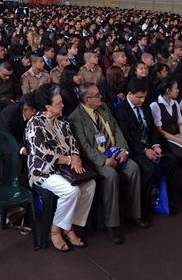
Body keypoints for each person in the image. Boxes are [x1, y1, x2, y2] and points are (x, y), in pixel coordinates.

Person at [67, 84, 147, 244]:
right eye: (97, 95)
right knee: (110, 175)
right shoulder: (76, 118)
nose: (101, 97)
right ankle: (112, 225)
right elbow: (85, 147)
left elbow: (116, 129)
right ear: (87, 99)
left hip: (114, 151)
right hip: (96, 158)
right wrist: (104, 160)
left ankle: (134, 213)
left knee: (133, 168)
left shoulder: (103, 108)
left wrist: (124, 149)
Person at [24, 86, 95, 253]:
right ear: (47, 107)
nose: (62, 105)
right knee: (71, 191)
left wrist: (76, 159)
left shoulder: (62, 121)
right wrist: (70, 159)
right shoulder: (34, 124)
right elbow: (43, 154)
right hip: (43, 170)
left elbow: (73, 143)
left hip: (65, 168)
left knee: (90, 184)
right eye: (58, 103)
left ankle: (68, 226)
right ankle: (55, 230)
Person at [114, 78, 182, 218]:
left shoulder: (145, 106)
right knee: (148, 169)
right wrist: (145, 150)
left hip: (149, 145)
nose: (142, 100)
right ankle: (142, 210)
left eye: (144, 97)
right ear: (130, 94)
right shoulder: (121, 110)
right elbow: (127, 137)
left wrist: (155, 145)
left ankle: (170, 201)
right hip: (134, 149)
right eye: (139, 97)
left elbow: (152, 129)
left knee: (172, 161)